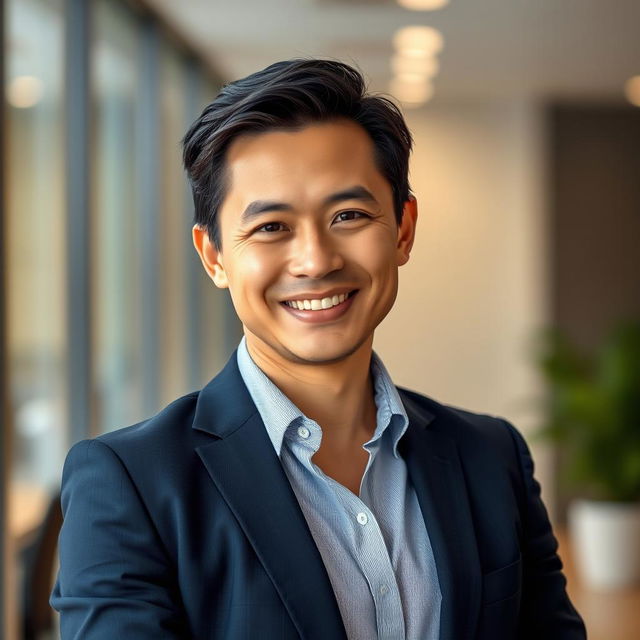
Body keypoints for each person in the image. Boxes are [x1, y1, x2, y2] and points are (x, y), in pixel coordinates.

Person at [51, 59, 586, 640]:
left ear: (403, 229)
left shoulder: (491, 456)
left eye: (349, 215)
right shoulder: (131, 483)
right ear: (214, 257)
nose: (316, 260)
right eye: (271, 227)